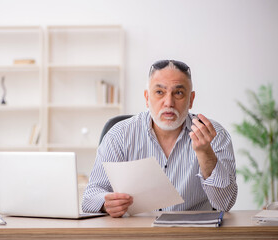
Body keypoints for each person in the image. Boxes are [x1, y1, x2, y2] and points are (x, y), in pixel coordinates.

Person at [82, 60, 238, 218]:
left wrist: (205, 153)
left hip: (192, 233)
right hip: (136, 233)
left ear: (191, 99)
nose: (169, 103)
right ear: (146, 98)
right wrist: (105, 203)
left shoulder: (214, 135)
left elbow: (224, 204)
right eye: (159, 92)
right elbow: (89, 198)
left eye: (178, 93)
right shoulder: (119, 135)